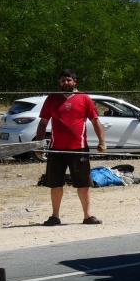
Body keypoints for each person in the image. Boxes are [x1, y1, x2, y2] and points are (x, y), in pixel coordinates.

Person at [34, 69, 106, 226]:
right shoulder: (52, 99)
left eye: (68, 80)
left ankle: (88, 216)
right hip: (56, 149)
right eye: (63, 80)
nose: (65, 83)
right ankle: (55, 216)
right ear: (59, 82)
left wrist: (102, 141)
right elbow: (43, 123)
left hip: (79, 148)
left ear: (75, 81)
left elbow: (95, 121)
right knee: (55, 183)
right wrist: (39, 144)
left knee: (83, 183)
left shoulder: (84, 98)